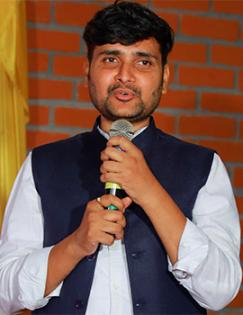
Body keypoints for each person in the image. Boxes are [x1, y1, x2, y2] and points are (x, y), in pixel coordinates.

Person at [0, 1, 241, 314]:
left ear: (165, 77)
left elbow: (221, 292)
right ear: (88, 69)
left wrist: (150, 191)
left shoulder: (204, 166)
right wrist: (74, 246)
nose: (125, 76)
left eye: (143, 63)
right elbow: (4, 293)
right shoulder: (42, 164)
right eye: (111, 58)